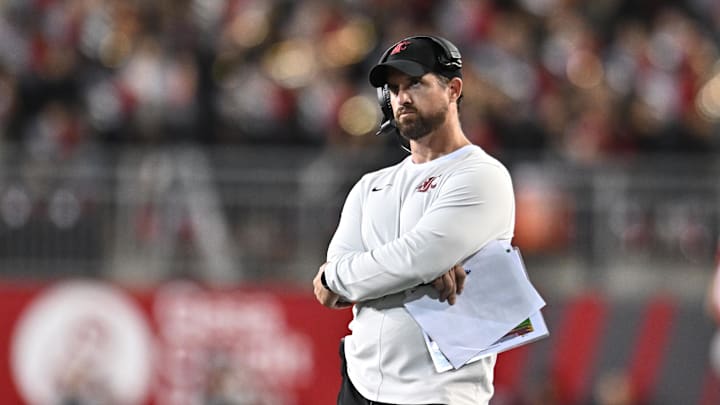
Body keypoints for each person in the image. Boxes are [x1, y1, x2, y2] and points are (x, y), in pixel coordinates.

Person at [312, 35, 516, 405]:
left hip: (439, 394)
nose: (401, 97)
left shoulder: (482, 175)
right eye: (393, 88)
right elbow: (333, 287)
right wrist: (416, 272)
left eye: (416, 83)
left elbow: (414, 258)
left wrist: (341, 276)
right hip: (358, 385)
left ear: (453, 89)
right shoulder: (369, 186)